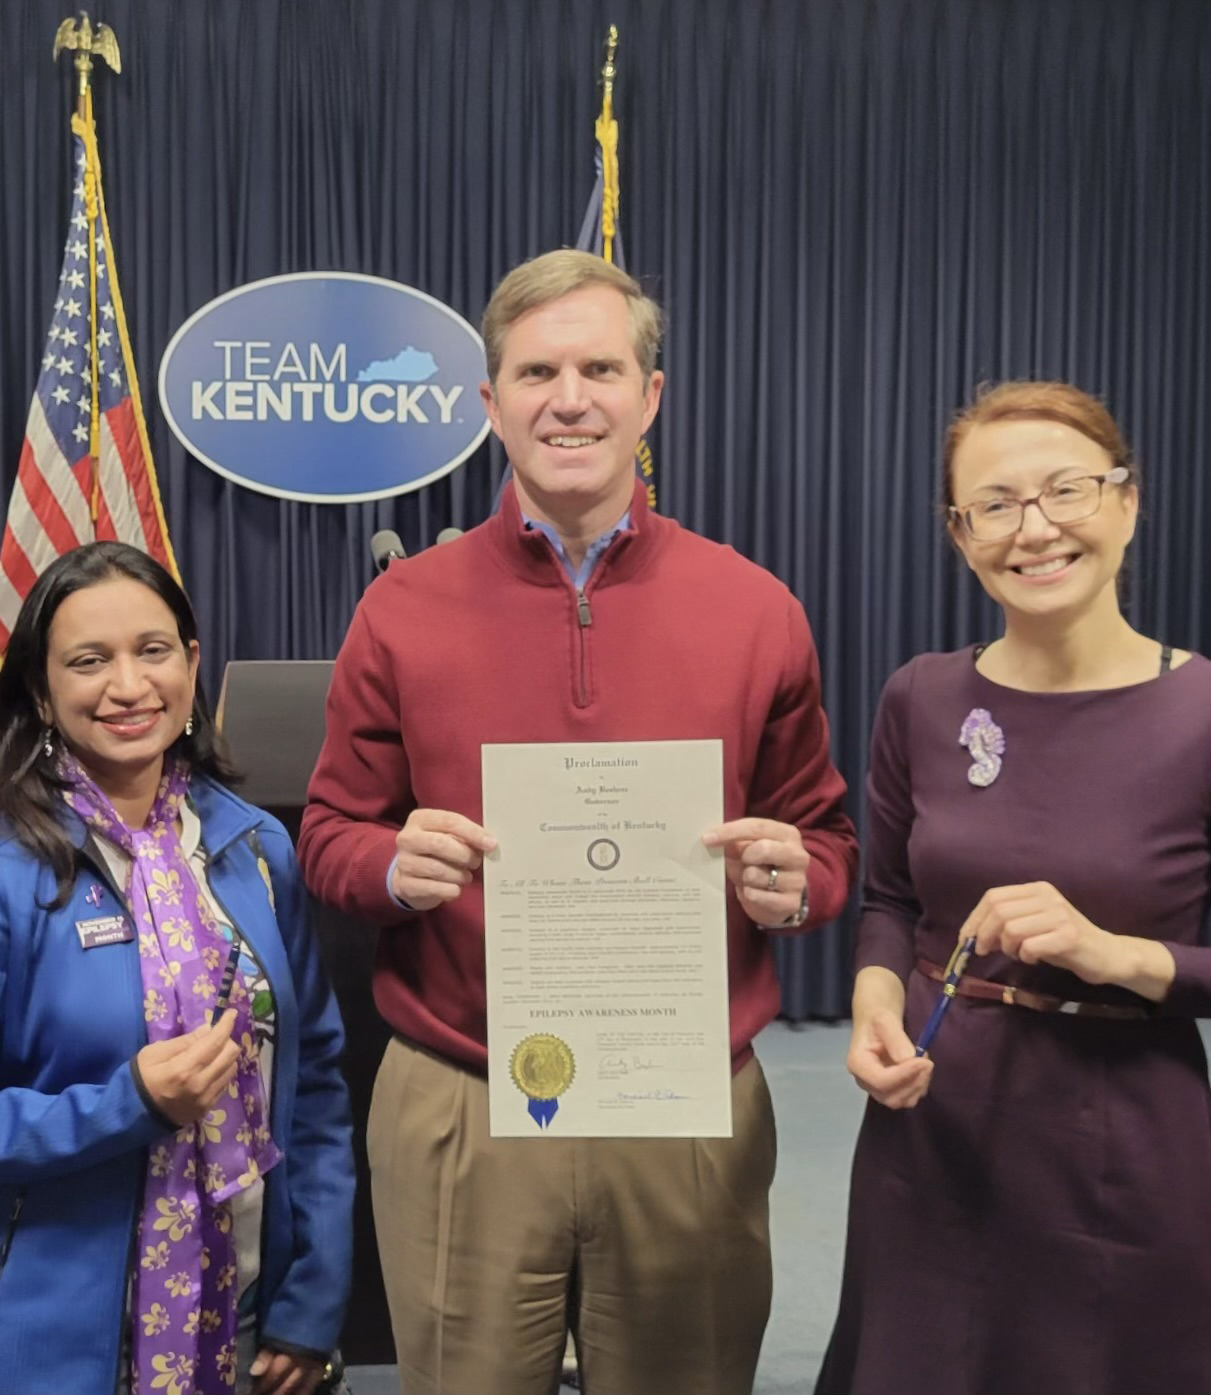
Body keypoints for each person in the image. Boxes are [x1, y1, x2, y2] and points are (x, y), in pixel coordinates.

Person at [297, 248, 858, 1395]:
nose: (570, 397)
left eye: (601, 367)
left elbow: (827, 842)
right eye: (538, 369)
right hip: (464, 1097)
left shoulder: (757, 609)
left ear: (650, 396)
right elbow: (329, 834)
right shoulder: (400, 608)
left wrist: (794, 882)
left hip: (682, 1096)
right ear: (488, 401)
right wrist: (394, 867)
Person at [817, 381, 1211, 1395]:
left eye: (1066, 491)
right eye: (995, 504)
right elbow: (893, 904)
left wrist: (1119, 956)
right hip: (930, 1142)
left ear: (1127, 504)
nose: (1033, 529)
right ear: (961, 535)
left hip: (1122, 1153)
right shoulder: (920, 695)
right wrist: (875, 1007)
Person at [0, 540, 354, 1395]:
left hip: (244, 1323)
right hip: (41, 1344)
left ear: (192, 661)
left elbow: (315, 1084)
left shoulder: (254, 849)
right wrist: (127, 1105)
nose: (129, 686)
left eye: (153, 650)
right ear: (39, 689)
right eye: (89, 660)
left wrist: (310, 1300)